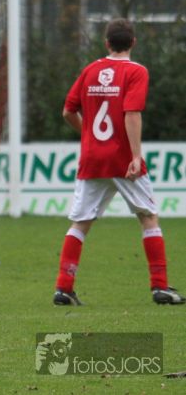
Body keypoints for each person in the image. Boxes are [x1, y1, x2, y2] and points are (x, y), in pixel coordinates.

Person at [53, 18, 184, 306]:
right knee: (148, 217)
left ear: (106, 43)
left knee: (80, 223)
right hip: (122, 158)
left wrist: (88, 134)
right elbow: (132, 113)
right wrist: (136, 155)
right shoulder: (136, 71)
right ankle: (160, 286)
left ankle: (63, 288)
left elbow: (67, 111)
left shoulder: (90, 70)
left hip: (92, 158)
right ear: (133, 42)